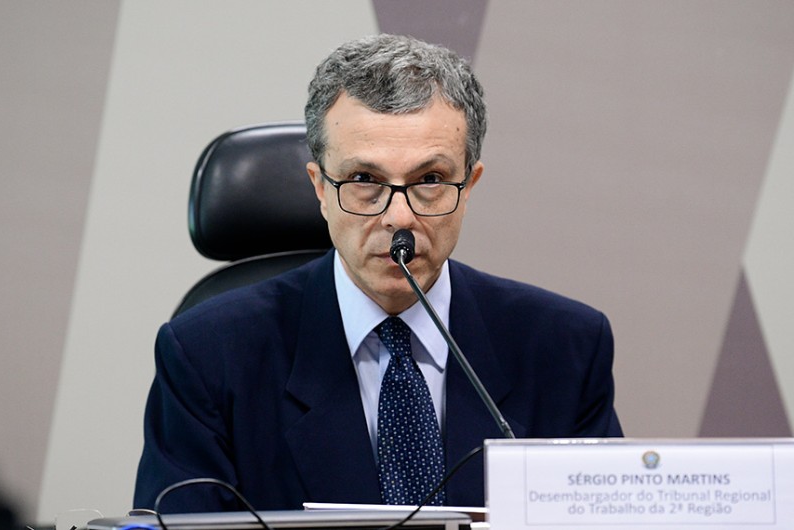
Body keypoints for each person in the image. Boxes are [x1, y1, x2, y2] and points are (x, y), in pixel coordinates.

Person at [134, 33, 622, 513]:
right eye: (364, 181)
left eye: (429, 180)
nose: (399, 218)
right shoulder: (210, 356)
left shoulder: (565, 348)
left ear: (468, 186)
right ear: (320, 189)